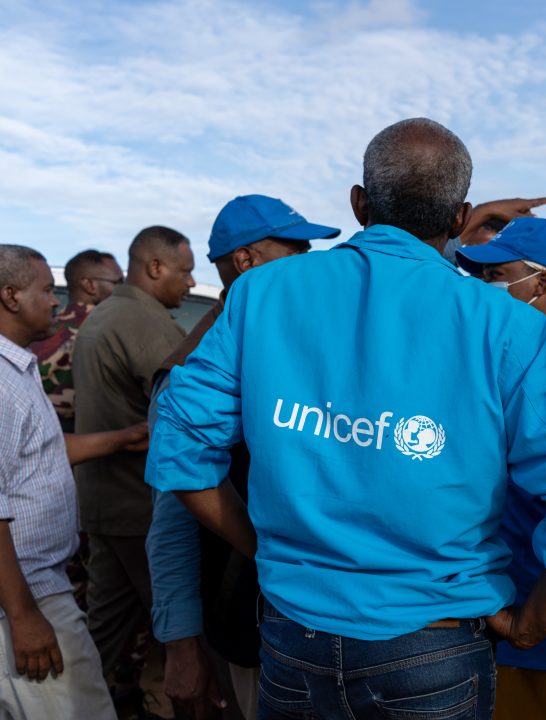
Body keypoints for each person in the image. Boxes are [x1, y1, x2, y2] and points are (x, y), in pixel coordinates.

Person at [145, 117, 546, 720]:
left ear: (359, 203)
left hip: (291, 636)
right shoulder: (507, 325)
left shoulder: (263, 294)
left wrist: (263, 548)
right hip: (435, 642)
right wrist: (533, 622)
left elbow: (180, 446)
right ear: (459, 220)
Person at [147, 195, 341, 720]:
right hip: (253, 621)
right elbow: (171, 519)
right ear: (247, 262)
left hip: (323, 618)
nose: (308, 260)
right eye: (295, 248)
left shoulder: (287, 332)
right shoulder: (197, 364)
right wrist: (181, 644)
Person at [457, 217, 546, 720]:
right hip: (495, 603)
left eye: (497, 276)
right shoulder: (497, 356)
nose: (485, 289)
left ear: (542, 283)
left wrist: (539, 617)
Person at [0, 245, 148, 720]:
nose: (55, 303)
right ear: (10, 296)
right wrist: (24, 617)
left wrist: (122, 438)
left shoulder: (16, 369)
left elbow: (40, 452)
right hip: (26, 594)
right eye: (46, 290)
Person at [73, 226, 195, 699]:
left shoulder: (107, 314)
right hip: (137, 507)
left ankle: (70, 706)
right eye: (184, 272)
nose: (189, 284)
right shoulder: (143, 322)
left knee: (103, 628)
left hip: (105, 502)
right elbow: (188, 410)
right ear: (155, 267)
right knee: (188, 638)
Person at [30, 250, 124, 433]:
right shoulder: (108, 327)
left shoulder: (45, 326)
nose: (124, 289)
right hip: (82, 435)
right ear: (89, 285)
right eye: (118, 283)